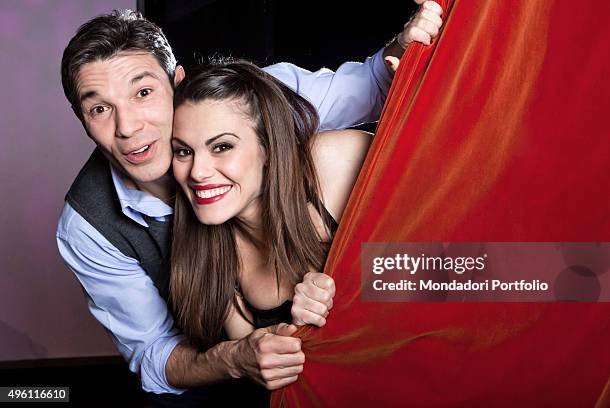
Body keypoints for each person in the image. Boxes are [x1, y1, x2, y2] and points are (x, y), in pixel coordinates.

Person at [55, 2, 443, 403]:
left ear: (177, 82)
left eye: (143, 92)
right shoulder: (103, 230)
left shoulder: (255, 106)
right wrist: (238, 357)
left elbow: (376, 86)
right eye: (99, 108)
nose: (128, 127)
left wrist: (352, 280)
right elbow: (158, 354)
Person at [169, 60, 370, 362]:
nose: (197, 172)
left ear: (267, 148)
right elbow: (275, 374)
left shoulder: (334, 162)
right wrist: (298, 331)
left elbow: (452, 266)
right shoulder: (210, 256)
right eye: (183, 151)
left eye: (222, 147)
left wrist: (349, 289)